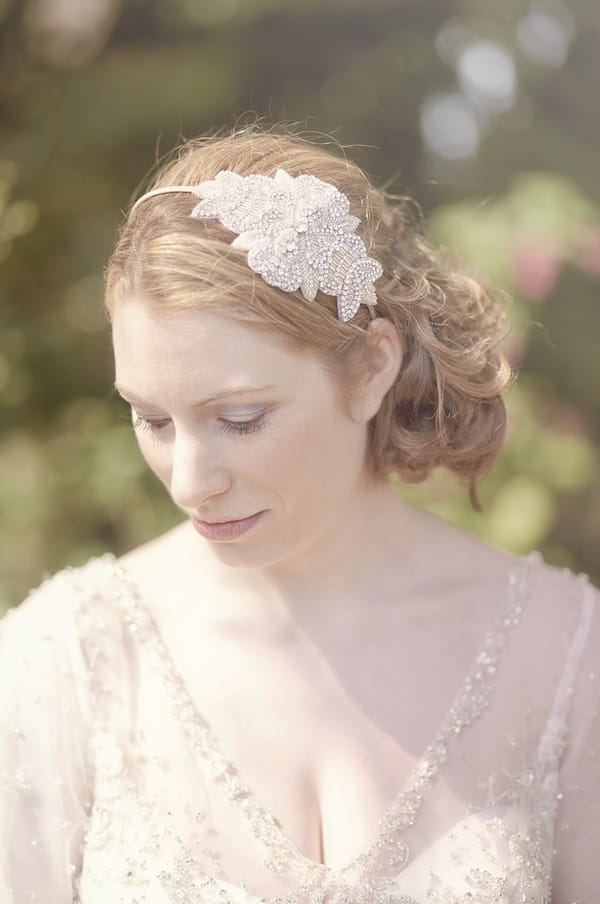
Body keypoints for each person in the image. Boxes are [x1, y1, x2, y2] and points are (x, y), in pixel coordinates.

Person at [0, 126, 598, 904]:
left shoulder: (565, 654)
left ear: (372, 368)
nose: (188, 482)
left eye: (240, 418)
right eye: (151, 419)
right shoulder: (64, 660)